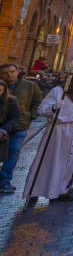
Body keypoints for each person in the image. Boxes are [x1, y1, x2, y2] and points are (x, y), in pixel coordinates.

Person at [23, 35, 73, 201]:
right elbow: (42, 109)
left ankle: (62, 190)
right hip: (59, 129)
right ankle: (35, 190)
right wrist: (54, 108)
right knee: (49, 160)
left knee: (71, 162)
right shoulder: (59, 91)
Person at [0, 62, 43, 194]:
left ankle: (4, 180)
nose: (9, 75)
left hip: (19, 125)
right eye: (5, 73)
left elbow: (37, 101)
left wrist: (30, 115)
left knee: (13, 152)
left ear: (18, 71)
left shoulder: (30, 85)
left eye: (12, 72)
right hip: (1, 126)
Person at [0, 81, 22, 174]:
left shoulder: (11, 100)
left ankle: (5, 179)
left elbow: (15, 116)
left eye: (0, 90)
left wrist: (3, 130)